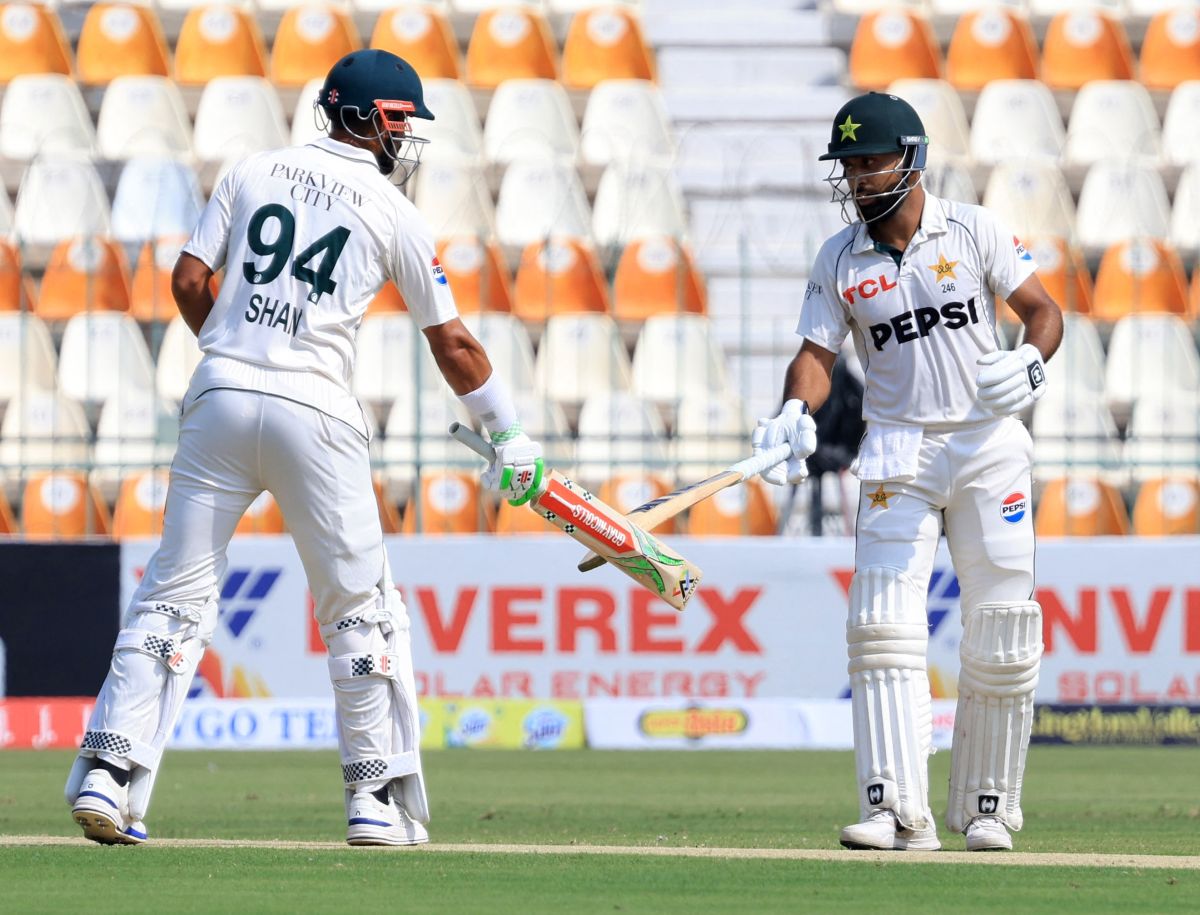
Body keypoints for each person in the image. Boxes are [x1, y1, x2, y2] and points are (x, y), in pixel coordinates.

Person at [65, 49, 544, 848]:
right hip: (317, 410)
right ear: (373, 119)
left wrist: (234, 351)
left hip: (218, 395)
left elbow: (188, 280)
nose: (407, 141)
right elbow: (454, 342)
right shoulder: (391, 209)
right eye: (403, 123)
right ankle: (373, 799)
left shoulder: (253, 169)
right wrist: (507, 431)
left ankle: (110, 776)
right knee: (360, 608)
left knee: (172, 595)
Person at [752, 92, 1063, 852]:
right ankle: (895, 809)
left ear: (912, 159)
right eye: (848, 167)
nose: (857, 179)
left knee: (1002, 628)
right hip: (895, 447)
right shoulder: (839, 257)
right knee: (882, 628)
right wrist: (796, 410)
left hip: (989, 441)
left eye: (869, 162)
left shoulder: (973, 227)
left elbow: (1044, 310)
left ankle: (989, 805)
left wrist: (1029, 359)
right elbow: (816, 358)